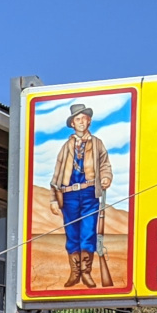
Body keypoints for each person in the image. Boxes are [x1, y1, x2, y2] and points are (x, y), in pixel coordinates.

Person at [48, 102, 113, 288]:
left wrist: (106, 178)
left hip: (90, 193)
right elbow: (57, 173)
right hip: (68, 196)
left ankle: (86, 273)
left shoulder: (97, 144)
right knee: (72, 234)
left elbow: (105, 165)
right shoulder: (66, 147)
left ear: (89, 121)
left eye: (84, 118)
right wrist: (53, 198)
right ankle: (74, 273)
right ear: (73, 123)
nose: (81, 122)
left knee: (88, 233)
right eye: (78, 119)